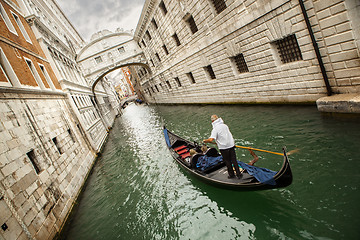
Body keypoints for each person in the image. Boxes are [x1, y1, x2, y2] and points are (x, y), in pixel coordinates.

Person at [203, 115, 242, 179]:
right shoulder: (225, 126)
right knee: (234, 160)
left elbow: (211, 139)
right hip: (231, 145)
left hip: (224, 148)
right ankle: (239, 174)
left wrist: (205, 141)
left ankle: (231, 175)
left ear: (212, 121)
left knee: (227, 161)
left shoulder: (215, 129)